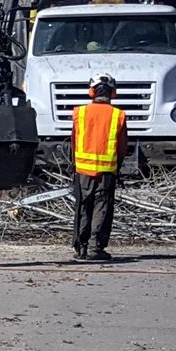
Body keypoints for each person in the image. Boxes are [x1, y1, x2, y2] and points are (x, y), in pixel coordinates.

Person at [71, 74, 126, 262]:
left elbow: (74, 141)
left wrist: (75, 166)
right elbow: (122, 147)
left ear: (92, 91)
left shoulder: (79, 112)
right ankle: (96, 247)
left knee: (82, 207)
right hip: (106, 171)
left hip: (83, 171)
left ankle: (81, 248)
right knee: (101, 207)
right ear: (112, 93)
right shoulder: (118, 115)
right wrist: (117, 167)